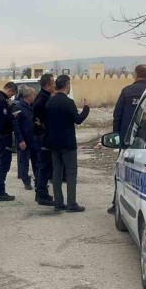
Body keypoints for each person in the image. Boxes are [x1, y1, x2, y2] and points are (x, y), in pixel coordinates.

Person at [107, 64, 146, 215]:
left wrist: (116, 137)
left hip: (127, 142)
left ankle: (117, 203)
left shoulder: (127, 92)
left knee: (121, 173)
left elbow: (117, 116)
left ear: (136, 75)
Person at [45, 75, 90, 212]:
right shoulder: (68, 102)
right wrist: (86, 108)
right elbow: (78, 119)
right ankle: (71, 203)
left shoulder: (50, 102)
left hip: (53, 142)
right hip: (67, 143)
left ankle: (58, 202)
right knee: (71, 172)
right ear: (66, 85)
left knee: (56, 173)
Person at [0, 82, 18, 201]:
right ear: (10, 90)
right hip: (3, 136)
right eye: (12, 94)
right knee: (4, 164)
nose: (11, 97)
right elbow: (3, 119)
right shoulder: (2, 100)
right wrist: (13, 115)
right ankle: (0, 192)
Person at [32, 73, 56, 206]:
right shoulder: (42, 99)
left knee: (45, 166)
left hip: (43, 136)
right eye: (53, 83)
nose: (54, 85)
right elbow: (38, 117)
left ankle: (43, 192)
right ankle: (41, 194)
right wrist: (42, 126)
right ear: (47, 85)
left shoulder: (46, 96)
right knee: (43, 166)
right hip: (42, 137)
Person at [12, 86, 37, 190]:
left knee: (36, 162)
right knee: (24, 162)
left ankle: (38, 181)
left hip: (34, 139)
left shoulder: (32, 106)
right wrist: (20, 140)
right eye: (34, 95)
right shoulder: (18, 108)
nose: (35, 97)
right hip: (24, 140)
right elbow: (16, 125)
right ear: (28, 96)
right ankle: (26, 182)